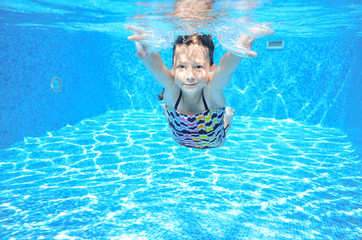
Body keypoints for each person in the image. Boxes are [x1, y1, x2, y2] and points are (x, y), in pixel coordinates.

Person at [126, 25, 273, 149]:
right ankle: (168, 108)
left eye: (198, 66)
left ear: (211, 69)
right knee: (169, 92)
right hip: (178, 137)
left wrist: (240, 47)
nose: (190, 76)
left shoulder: (211, 91)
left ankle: (228, 114)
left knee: (226, 122)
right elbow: (156, 67)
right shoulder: (172, 86)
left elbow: (225, 69)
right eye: (182, 66)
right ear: (173, 67)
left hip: (214, 141)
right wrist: (145, 50)